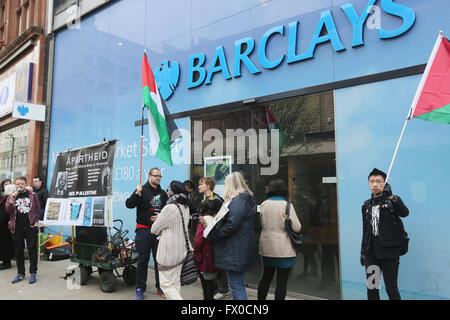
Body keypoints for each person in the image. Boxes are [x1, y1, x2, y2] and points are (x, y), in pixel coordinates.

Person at [361, 168, 409, 300]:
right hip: (372, 254)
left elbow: (404, 213)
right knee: (372, 287)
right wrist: (363, 253)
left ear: (385, 183)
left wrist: (391, 197)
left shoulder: (391, 200)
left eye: (378, 181)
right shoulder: (366, 205)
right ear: (369, 183)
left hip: (389, 253)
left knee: (391, 288)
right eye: (372, 181)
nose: (375, 184)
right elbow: (365, 230)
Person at [207, 171, 256, 300]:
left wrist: (215, 234)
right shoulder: (239, 200)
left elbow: (231, 225)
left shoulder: (238, 201)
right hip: (236, 248)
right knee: (235, 284)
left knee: (236, 285)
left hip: (236, 249)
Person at [125, 168, 168, 300]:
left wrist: (161, 215)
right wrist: (136, 193)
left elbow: (167, 210)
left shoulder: (162, 193)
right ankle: (140, 288)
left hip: (158, 231)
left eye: (160, 176)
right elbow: (129, 204)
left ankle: (160, 287)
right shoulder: (141, 190)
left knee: (159, 261)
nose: (158, 178)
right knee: (142, 260)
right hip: (143, 231)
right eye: (155, 176)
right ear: (149, 176)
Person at [258, 179, 301, 300]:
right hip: (284, 248)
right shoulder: (287, 205)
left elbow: (262, 223)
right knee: (281, 282)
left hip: (267, 246)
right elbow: (297, 228)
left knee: (265, 278)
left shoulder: (264, 204)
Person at [151, 181, 191, 300]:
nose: (167, 192)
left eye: (168, 190)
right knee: (175, 283)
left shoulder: (170, 207)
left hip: (169, 253)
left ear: (172, 192)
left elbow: (154, 229)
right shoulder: (185, 206)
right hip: (181, 251)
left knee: (166, 285)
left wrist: (161, 219)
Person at [194, 177, 224, 300]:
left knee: (211, 271)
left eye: (201, 184)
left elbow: (222, 220)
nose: (199, 187)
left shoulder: (217, 200)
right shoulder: (203, 200)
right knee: (204, 271)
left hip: (211, 242)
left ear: (208, 185)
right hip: (203, 241)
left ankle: (220, 290)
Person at [5, 177, 40, 284]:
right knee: (18, 251)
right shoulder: (12, 196)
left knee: (32, 249)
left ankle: (33, 273)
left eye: (22, 184)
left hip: (30, 227)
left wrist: (36, 222)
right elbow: (8, 211)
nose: (19, 186)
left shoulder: (33, 196)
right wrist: (11, 200)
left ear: (25, 184)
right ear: (15, 185)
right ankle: (21, 273)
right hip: (17, 227)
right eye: (18, 184)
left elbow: (37, 209)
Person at [0, 184, 15, 270]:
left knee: (6, 245)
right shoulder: (6, 198)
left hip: (5, 226)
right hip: (4, 225)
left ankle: (6, 262)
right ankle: (5, 261)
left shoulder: (8, 199)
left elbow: (6, 214)